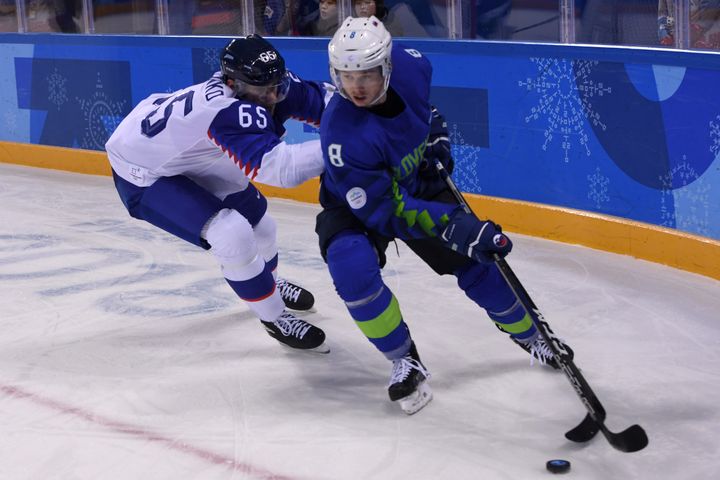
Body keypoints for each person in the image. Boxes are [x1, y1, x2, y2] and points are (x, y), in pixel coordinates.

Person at [317, 17, 573, 414]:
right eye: (347, 76)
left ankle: (532, 334)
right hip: (361, 202)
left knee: (476, 263)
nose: (356, 87)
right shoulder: (342, 134)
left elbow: (424, 109)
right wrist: (457, 227)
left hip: (415, 179)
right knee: (351, 269)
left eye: (367, 74)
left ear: (387, 65)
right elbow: (389, 213)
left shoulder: (413, 66)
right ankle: (404, 358)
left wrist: (435, 134)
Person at [105, 35, 331, 354]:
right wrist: (348, 146)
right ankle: (275, 317)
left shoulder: (265, 84)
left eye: (276, 85)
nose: (271, 96)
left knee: (262, 225)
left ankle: (267, 281)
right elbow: (280, 169)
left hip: (187, 152)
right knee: (231, 233)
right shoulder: (224, 109)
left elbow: (327, 101)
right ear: (231, 82)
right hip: (141, 169)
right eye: (260, 90)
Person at [352, 0, 427, 37]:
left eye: (367, 3)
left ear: (377, 5)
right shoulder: (350, 23)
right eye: (358, 3)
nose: (362, 7)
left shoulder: (390, 19)